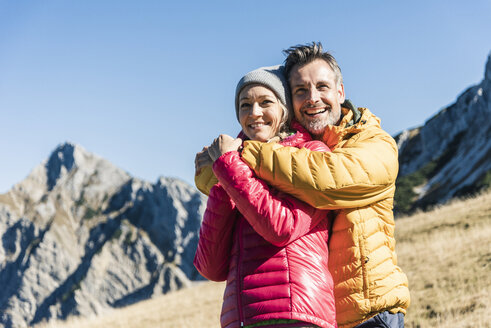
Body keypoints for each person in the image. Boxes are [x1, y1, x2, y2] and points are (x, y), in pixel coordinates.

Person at [207, 43, 410, 328]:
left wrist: (240, 154)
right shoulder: (297, 149)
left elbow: (325, 179)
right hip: (323, 311)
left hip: (369, 312)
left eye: (322, 87)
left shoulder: (372, 142)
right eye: (301, 91)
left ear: (340, 92)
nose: (313, 98)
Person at [194, 65, 337, 328]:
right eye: (245, 105)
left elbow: (282, 228)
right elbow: (210, 267)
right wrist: (223, 176)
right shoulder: (235, 165)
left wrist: (228, 166)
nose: (254, 113)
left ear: (283, 109)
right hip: (241, 318)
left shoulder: (312, 153)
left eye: (265, 102)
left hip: (296, 313)